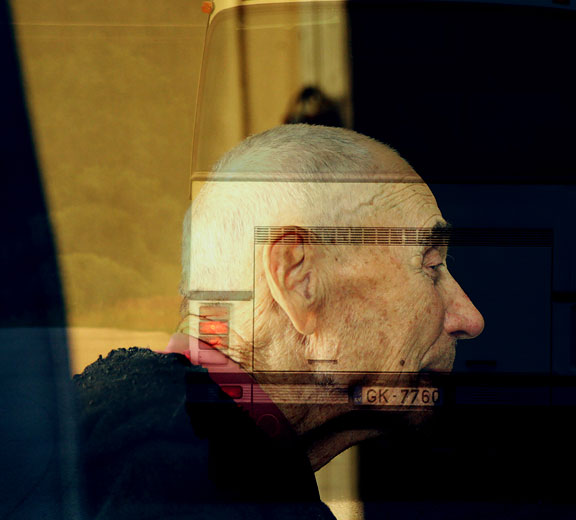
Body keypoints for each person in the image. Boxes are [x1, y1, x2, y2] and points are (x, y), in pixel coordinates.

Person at [73, 124, 484, 519]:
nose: (469, 318)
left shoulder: (142, 436)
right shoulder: (178, 482)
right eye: (431, 265)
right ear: (300, 279)